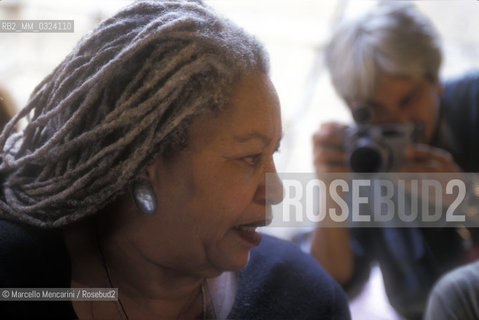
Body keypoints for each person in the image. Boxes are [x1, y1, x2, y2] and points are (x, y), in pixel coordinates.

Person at [0, 1, 351, 319]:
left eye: (273, 153)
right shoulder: (16, 279)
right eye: (249, 158)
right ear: (145, 163)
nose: (276, 192)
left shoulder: (303, 300)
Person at [310, 2, 479, 319]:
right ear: (351, 108)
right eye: (374, 109)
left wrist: (468, 197)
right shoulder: (361, 157)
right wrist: (331, 193)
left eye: (408, 99)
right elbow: (329, 287)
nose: (398, 121)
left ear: (436, 80)